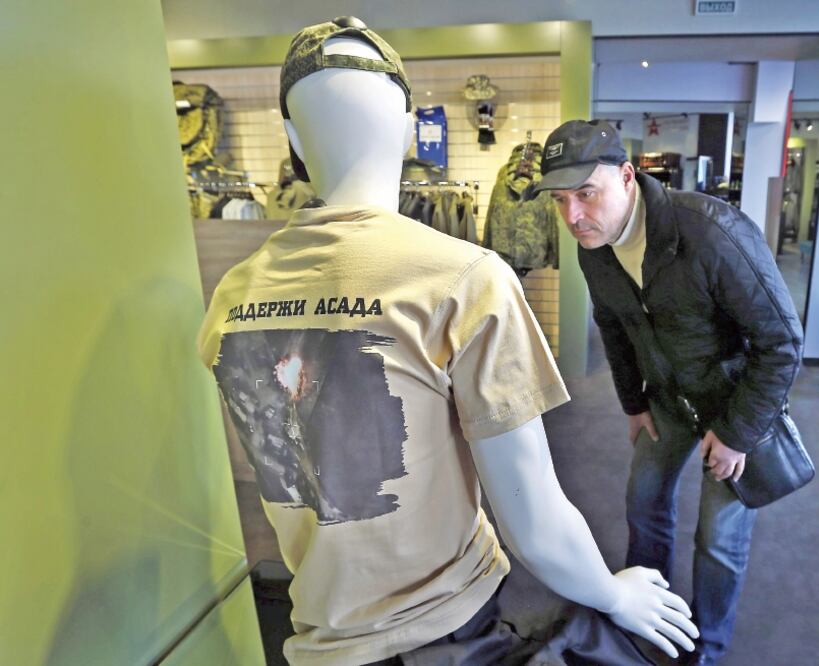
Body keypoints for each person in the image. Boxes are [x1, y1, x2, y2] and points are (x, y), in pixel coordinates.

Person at [197, 21, 697, 665]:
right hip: (445, 633)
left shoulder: (233, 295)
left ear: (291, 138)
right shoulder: (465, 279)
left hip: (317, 630)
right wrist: (612, 592)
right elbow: (533, 519)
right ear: (410, 131)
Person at [529, 119, 804, 665]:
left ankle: (707, 649)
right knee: (644, 502)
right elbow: (614, 326)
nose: (573, 217)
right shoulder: (595, 246)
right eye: (560, 200)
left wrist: (736, 434)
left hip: (735, 403)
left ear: (628, 176)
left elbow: (783, 342)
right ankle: (649, 620)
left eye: (586, 194)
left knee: (719, 540)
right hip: (668, 399)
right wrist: (633, 403)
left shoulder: (711, 232)